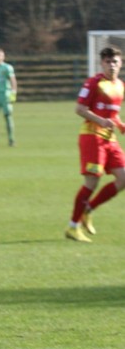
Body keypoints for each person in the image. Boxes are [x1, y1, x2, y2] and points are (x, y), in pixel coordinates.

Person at [64, 46, 125, 243]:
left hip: (109, 139)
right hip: (91, 137)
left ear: (121, 63)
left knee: (123, 178)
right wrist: (101, 121)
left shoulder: (120, 85)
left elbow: (112, 113)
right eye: (108, 62)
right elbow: (79, 109)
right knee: (91, 182)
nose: (112, 65)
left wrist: (120, 124)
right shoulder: (94, 83)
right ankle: (73, 227)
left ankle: (88, 209)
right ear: (102, 64)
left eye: (115, 61)